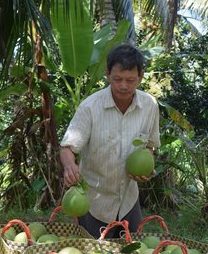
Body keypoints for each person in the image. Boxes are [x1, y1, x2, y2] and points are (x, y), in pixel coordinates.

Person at [60, 44, 160, 239]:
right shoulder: (90, 107)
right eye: (118, 79)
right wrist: (69, 166)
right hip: (94, 203)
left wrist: (148, 166)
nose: (124, 86)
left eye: (130, 80)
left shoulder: (150, 106)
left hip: (129, 202)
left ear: (141, 76)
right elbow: (67, 148)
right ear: (107, 74)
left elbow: (149, 146)